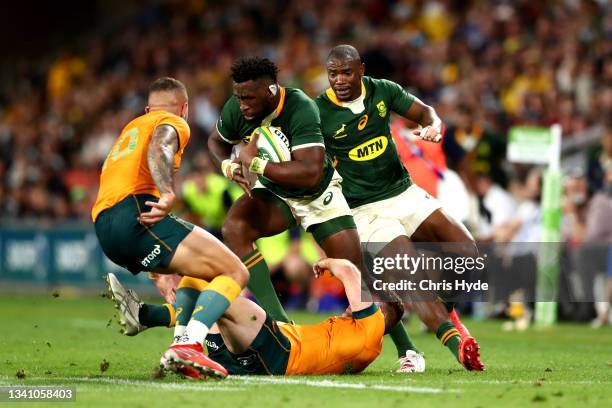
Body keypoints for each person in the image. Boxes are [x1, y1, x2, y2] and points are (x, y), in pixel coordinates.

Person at [205, 57, 416, 362]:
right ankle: (279, 326)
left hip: (318, 196)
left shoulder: (299, 107)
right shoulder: (237, 107)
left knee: (355, 271)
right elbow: (216, 141)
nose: (242, 105)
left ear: (272, 90)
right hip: (276, 193)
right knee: (235, 226)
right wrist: (227, 166)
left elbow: (310, 173)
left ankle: (407, 347)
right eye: (238, 97)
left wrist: (254, 163)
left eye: (249, 97)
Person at [315, 45, 485, 371]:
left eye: (346, 72)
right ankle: (457, 343)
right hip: (366, 211)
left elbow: (425, 112)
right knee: (412, 275)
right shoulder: (318, 111)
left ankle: (444, 314)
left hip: (405, 193)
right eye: (332, 73)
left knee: (469, 257)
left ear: (361, 70)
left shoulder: (383, 91)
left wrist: (432, 125)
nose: (339, 80)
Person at [91, 77, 249, 378]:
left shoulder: (129, 132)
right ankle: (189, 345)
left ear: (147, 107)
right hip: (136, 213)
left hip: (106, 226)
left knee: (196, 271)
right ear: (185, 108)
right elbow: (161, 145)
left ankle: (167, 335)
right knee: (235, 272)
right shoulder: (172, 121)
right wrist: (166, 190)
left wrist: (156, 271)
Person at [106, 257, 403, 378]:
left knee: (220, 276)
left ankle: (171, 332)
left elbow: (349, 270)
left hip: (279, 350)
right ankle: (146, 318)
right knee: (209, 298)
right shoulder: (363, 342)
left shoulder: (371, 329)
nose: (358, 300)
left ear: (381, 311)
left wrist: (328, 262)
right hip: (253, 359)